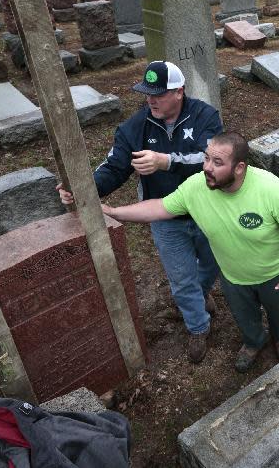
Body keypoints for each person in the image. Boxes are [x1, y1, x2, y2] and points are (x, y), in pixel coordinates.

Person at [58, 60, 223, 364]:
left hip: (207, 210)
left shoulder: (205, 115)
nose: (151, 100)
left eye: (159, 94)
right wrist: (83, 189)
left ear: (179, 91)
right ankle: (198, 326)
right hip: (162, 214)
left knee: (213, 263)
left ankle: (200, 294)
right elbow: (114, 167)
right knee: (180, 277)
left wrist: (166, 161)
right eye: (147, 93)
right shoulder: (134, 127)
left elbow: (210, 159)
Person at [102, 132, 279, 373]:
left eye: (217, 163)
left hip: (275, 274)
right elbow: (159, 207)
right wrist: (115, 212)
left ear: (239, 167)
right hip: (233, 278)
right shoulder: (196, 187)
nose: (207, 168)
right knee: (244, 316)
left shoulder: (271, 188)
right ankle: (254, 341)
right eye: (206, 158)